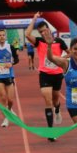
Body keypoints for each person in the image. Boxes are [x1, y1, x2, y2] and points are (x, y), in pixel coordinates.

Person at [25, 12, 69, 141]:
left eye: (44, 31)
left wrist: (62, 59)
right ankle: (50, 131)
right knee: (48, 101)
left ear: (48, 30)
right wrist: (33, 19)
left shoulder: (59, 41)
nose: (43, 33)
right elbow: (27, 34)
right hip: (44, 75)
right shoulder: (39, 42)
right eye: (41, 32)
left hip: (57, 74)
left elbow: (70, 53)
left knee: (55, 101)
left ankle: (57, 109)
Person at [0, 28, 19, 127]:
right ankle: (6, 118)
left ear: (5, 36)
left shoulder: (10, 47)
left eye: (3, 35)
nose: (1, 37)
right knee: (3, 98)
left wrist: (11, 63)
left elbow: (17, 59)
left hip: (9, 75)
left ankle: (9, 110)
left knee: (10, 100)